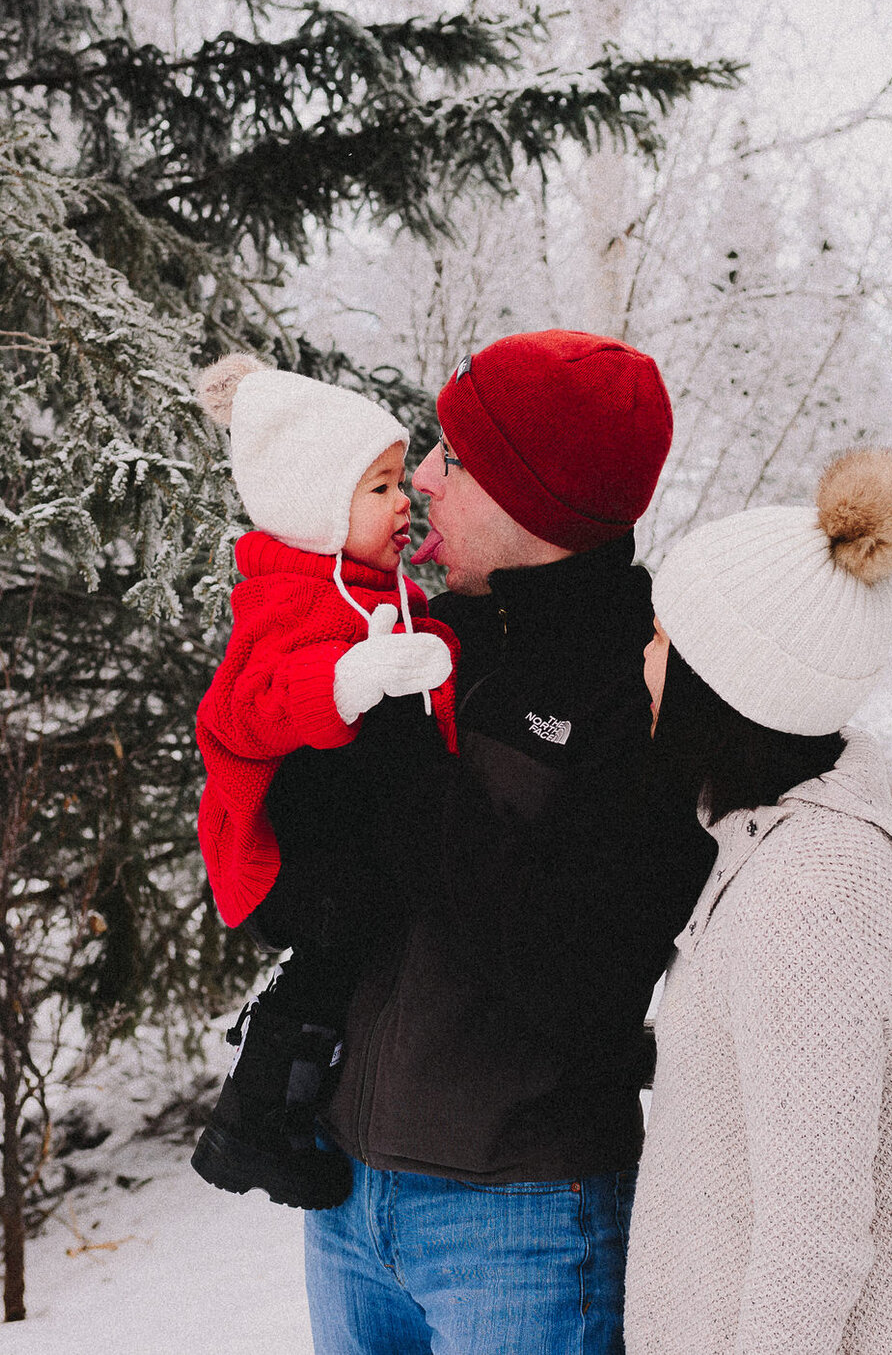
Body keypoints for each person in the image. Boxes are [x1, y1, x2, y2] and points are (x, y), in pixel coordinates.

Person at [306, 329, 713, 1355]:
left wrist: (401, 763)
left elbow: (581, 978)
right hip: (347, 1198)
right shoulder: (434, 636)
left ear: (535, 498)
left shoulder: (643, 692)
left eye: (454, 456)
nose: (425, 479)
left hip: (523, 1219)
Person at [625, 449, 892, 1355]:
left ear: (719, 683)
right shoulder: (766, 851)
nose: (639, 662)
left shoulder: (811, 889)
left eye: (657, 639)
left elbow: (815, 1233)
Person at [188, 355, 461, 1210]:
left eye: (399, 481)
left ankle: (281, 1115)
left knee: (346, 967)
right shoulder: (285, 594)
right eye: (379, 486)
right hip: (288, 849)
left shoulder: (382, 588)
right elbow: (240, 709)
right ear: (317, 502)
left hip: (344, 841)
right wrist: (345, 679)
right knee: (335, 953)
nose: (404, 500)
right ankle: (251, 1123)